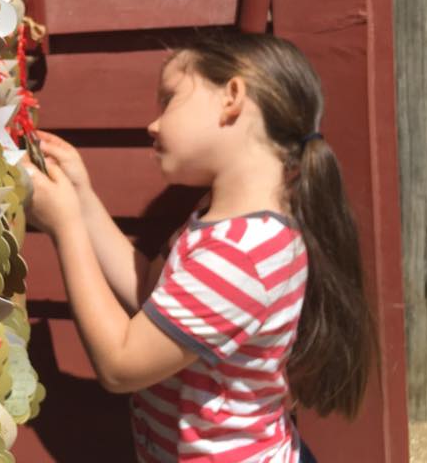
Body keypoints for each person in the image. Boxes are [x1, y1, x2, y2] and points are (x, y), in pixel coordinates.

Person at [24, 32, 375, 463]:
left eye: (169, 99)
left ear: (231, 97)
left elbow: (120, 365)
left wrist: (66, 227)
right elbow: (151, 296)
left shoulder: (242, 256)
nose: (153, 123)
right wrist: (83, 198)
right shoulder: (223, 224)